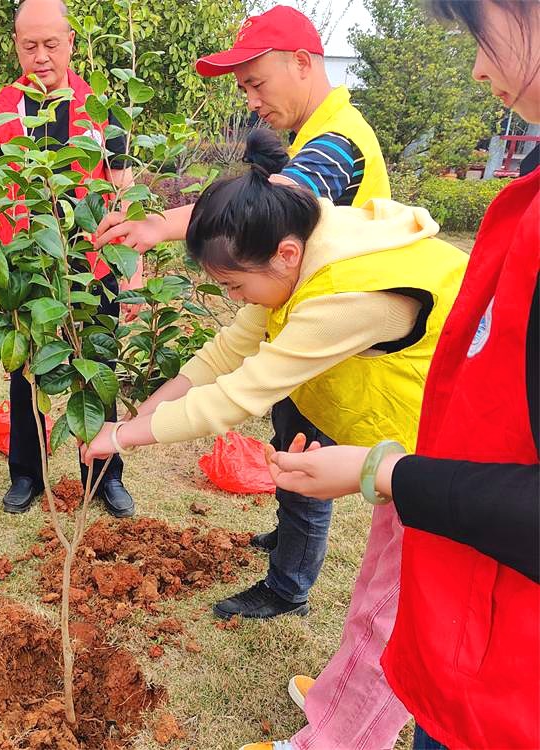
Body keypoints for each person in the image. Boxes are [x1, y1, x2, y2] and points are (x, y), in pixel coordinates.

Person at [80, 129, 467, 750]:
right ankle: (339, 705)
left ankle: (337, 739)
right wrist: (137, 417)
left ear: (284, 254)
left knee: (392, 617)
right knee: (378, 597)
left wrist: (125, 437)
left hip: (454, 451)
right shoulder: (298, 251)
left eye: (234, 286)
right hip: (413, 442)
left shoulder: (348, 293)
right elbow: (225, 354)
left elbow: (238, 395)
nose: (234, 299)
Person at [266, 2, 539, 748]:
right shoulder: (528, 188)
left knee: (387, 602)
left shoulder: (337, 149)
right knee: (383, 597)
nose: (479, 67)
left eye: (483, 34)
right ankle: (337, 701)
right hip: (449, 510)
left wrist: (388, 471)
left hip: (500, 636)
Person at [93, 3, 392, 627]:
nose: (252, 101)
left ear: (303, 63)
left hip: (346, 363)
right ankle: (287, 543)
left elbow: (265, 211)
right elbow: (228, 348)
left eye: (257, 83)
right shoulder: (312, 137)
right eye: (244, 89)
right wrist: (161, 401)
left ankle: (288, 585)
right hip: (302, 338)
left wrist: (161, 223)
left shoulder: (337, 141)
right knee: (291, 453)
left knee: (307, 465)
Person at [0, 0, 140, 517]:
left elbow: (123, 191)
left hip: (95, 263)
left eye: (51, 44)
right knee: (25, 374)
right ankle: (27, 473)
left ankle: (104, 475)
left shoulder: (102, 108)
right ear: (16, 45)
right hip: (25, 269)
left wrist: (132, 268)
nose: (40, 56)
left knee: (97, 368)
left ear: (70, 41)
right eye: (28, 45)